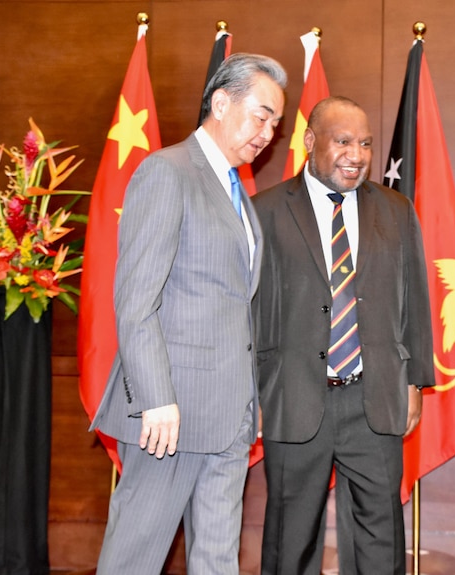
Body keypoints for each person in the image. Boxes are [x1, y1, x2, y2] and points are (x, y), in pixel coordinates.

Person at [90, 53, 286, 575]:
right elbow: (136, 301)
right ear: (221, 103)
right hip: (168, 418)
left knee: (218, 561)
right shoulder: (167, 172)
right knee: (134, 558)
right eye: (262, 116)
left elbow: (234, 308)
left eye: (276, 124)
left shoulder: (239, 194)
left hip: (229, 419)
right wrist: (156, 399)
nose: (269, 133)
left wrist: (252, 399)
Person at [252, 96, 435, 574]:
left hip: (372, 398)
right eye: (344, 141)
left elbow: (414, 298)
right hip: (293, 397)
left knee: (381, 536)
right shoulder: (265, 211)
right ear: (311, 142)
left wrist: (414, 382)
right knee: (291, 538)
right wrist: (250, 391)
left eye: (367, 144)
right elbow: (247, 313)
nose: (358, 154)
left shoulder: (395, 210)